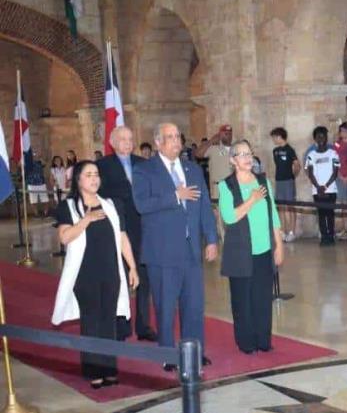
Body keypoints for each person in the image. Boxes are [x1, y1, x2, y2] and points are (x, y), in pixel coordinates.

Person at [133, 123, 218, 371]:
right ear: (158, 142)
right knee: (165, 305)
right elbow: (141, 204)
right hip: (162, 252)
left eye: (178, 137)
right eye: (169, 138)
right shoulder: (144, 170)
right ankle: (168, 354)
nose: (176, 142)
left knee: (194, 305)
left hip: (191, 249)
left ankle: (194, 351)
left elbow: (203, 207)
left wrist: (211, 238)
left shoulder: (192, 169)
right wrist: (175, 196)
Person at [51, 160, 139, 389]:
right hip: (85, 274)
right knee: (91, 323)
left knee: (108, 322)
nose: (94, 178)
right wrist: (86, 220)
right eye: (88, 174)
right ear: (78, 180)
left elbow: (122, 237)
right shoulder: (68, 206)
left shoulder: (111, 204)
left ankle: (109, 369)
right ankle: (93, 371)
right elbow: (64, 237)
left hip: (110, 272)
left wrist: (132, 267)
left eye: (96, 174)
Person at [218, 140, 283, 354]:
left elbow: (273, 213)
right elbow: (229, 216)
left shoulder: (263, 180)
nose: (247, 158)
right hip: (240, 252)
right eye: (241, 154)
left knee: (262, 298)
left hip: (264, 250)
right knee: (242, 299)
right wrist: (252, 199)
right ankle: (246, 342)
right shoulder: (226, 185)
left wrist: (279, 245)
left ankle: (263, 340)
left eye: (249, 153)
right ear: (232, 160)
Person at [96, 126, 156, 342]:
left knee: (143, 279)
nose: (128, 142)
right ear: (112, 142)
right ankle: (120, 325)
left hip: (144, 230)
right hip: (117, 231)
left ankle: (143, 326)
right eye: (122, 139)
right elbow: (99, 197)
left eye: (131, 139)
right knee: (119, 278)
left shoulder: (144, 164)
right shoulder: (102, 166)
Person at [305, 126, 340, 245]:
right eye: (318, 136)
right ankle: (324, 236)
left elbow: (335, 172)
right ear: (314, 138)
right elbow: (310, 172)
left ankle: (331, 235)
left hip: (330, 189)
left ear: (326, 137)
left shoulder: (333, 153)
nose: (321, 138)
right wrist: (318, 186)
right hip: (317, 190)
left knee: (330, 213)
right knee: (321, 213)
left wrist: (325, 186)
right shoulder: (311, 155)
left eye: (323, 136)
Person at [270, 127, 299, 242]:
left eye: (274, 137)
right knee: (280, 207)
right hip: (279, 181)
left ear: (279, 136)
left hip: (288, 181)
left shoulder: (290, 150)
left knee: (290, 206)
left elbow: (297, 165)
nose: (273, 140)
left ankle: (291, 232)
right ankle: (282, 231)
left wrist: (293, 176)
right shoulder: (275, 151)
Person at [194, 124, 234, 199]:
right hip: (218, 192)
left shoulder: (235, 149)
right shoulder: (213, 149)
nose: (228, 135)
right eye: (225, 133)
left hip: (233, 191)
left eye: (229, 133)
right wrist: (211, 141)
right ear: (219, 135)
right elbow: (198, 154)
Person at [25, 152, 50, 217]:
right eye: (32, 155)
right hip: (31, 183)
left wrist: (40, 158)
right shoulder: (27, 163)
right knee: (33, 200)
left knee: (45, 199)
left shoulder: (39, 162)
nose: (34, 156)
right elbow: (20, 165)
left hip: (41, 183)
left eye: (35, 155)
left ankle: (46, 213)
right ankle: (36, 214)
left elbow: (45, 163)